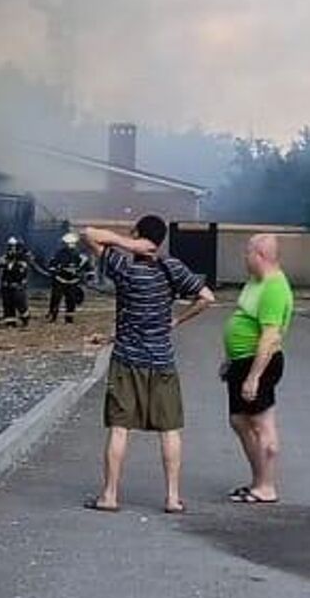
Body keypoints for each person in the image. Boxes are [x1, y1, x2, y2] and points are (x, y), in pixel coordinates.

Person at [82, 216, 214, 514]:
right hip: (162, 361)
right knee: (169, 430)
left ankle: (110, 495)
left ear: (139, 235)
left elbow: (89, 234)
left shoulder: (123, 267)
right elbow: (207, 297)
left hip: (127, 361)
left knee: (119, 429)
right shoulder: (173, 268)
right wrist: (178, 320)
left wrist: (128, 244)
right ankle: (172, 498)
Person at [224, 233, 293, 505]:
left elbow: (269, 335)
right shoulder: (256, 282)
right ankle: (257, 480)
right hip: (241, 360)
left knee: (262, 423)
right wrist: (231, 360)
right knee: (240, 420)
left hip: (260, 361)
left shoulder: (274, 288)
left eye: (248, 252)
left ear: (260, 255)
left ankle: (266, 486)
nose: (244, 257)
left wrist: (254, 376)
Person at [47, 233, 92, 323]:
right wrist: (56, 271)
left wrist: (89, 277)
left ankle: (69, 318)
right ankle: (53, 316)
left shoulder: (80, 256)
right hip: (60, 280)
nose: (70, 246)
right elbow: (51, 266)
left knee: (71, 301)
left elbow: (88, 268)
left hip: (73, 281)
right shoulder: (59, 254)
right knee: (55, 299)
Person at [0, 237, 33, 327]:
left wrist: (9, 265)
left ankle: (25, 319)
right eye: (10, 247)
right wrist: (2, 263)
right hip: (6, 285)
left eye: (13, 247)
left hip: (18, 285)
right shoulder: (6, 257)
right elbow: (0, 266)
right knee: (7, 305)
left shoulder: (24, 257)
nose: (11, 249)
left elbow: (20, 270)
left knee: (20, 304)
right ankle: (10, 323)